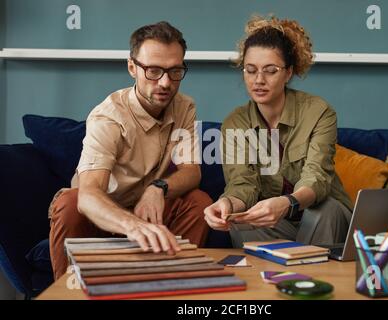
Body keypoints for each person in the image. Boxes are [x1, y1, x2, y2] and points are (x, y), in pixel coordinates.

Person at [49, 21, 212, 280]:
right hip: (100, 215)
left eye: (175, 71)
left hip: (147, 212)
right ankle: (67, 292)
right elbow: (89, 195)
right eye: (154, 71)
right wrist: (133, 227)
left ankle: (171, 283)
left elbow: (192, 171)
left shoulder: (184, 107)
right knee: (69, 202)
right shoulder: (109, 116)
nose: (165, 83)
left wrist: (158, 188)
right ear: (132, 67)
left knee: (198, 202)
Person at [204, 15, 353, 248]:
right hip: (277, 224)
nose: (258, 80)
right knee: (240, 221)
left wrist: (287, 203)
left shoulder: (318, 112)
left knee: (325, 210)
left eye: (270, 71)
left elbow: (317, 177)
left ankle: (309, 279)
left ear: (288, 72)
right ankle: (278, 277)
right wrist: (227, 205)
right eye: (250, 70)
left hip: (324, 218)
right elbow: (242, 183)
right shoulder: (235, 122)